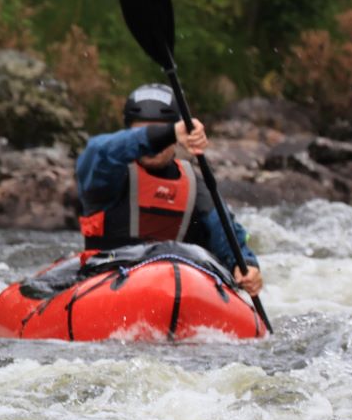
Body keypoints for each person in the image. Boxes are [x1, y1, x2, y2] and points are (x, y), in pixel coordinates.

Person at [75, 85, 263, 296]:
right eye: (146, 133)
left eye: (160, 133)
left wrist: (246, 264)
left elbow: (226, 235)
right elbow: (97, 150)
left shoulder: (195, 186)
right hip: (106, 288)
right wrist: (165, 133)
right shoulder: (107, 175)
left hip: (172, 292)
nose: (154, 145)